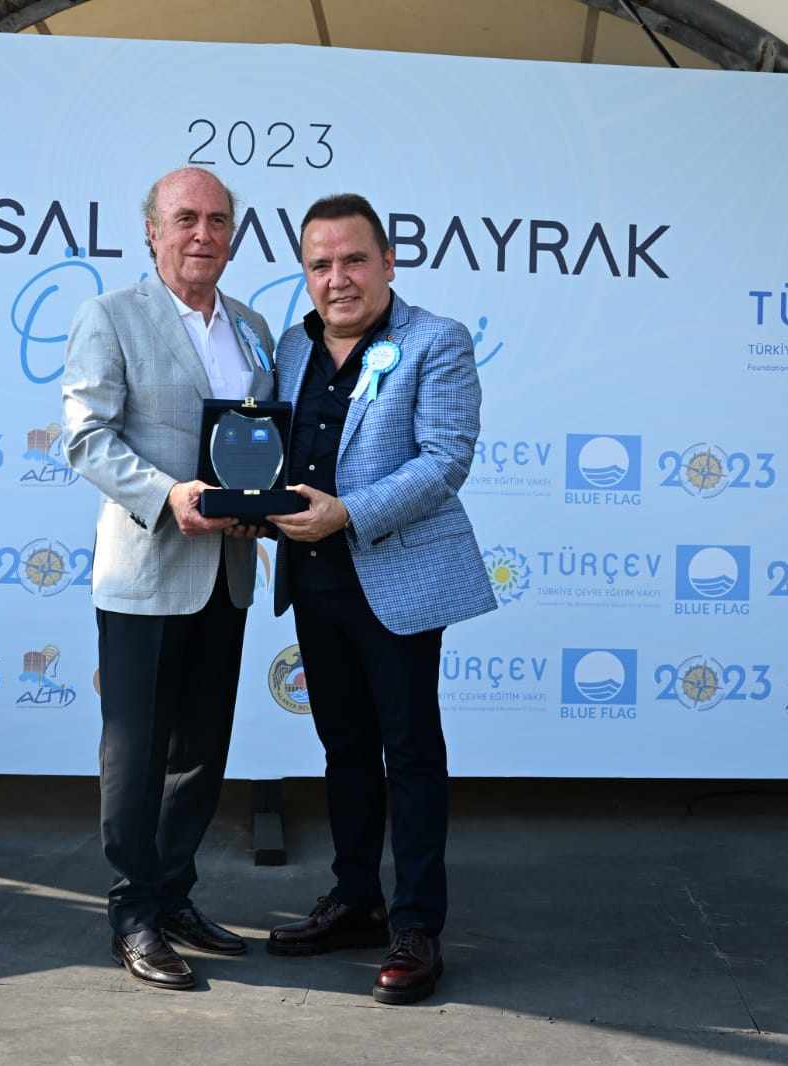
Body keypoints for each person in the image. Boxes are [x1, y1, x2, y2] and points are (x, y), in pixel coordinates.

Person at [264, 193, 496, 1005]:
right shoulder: (292, 348)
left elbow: (445, 459)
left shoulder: (436, 341)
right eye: (321, 265)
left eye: (355, 260)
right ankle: (356, 898)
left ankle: (417, 925)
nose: (338, 279)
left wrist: (349, 513)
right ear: (305, 274)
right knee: (344, 749)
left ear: (388, 263)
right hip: (313, 578)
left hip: (396, 580)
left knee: (411, 752)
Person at [61, 166, 276, 990]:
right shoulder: (110, 316)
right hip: (147, 570)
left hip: (227, 571)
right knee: (138, 752)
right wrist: (167, 495)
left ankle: (175, 895)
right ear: (152, 231)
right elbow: (87, 436)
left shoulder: (252, 327)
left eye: (218, 220)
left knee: (200, 753)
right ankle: (134, 914)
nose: (202, 234)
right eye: (185, 218)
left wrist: (263, 504)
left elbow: (260, 439)